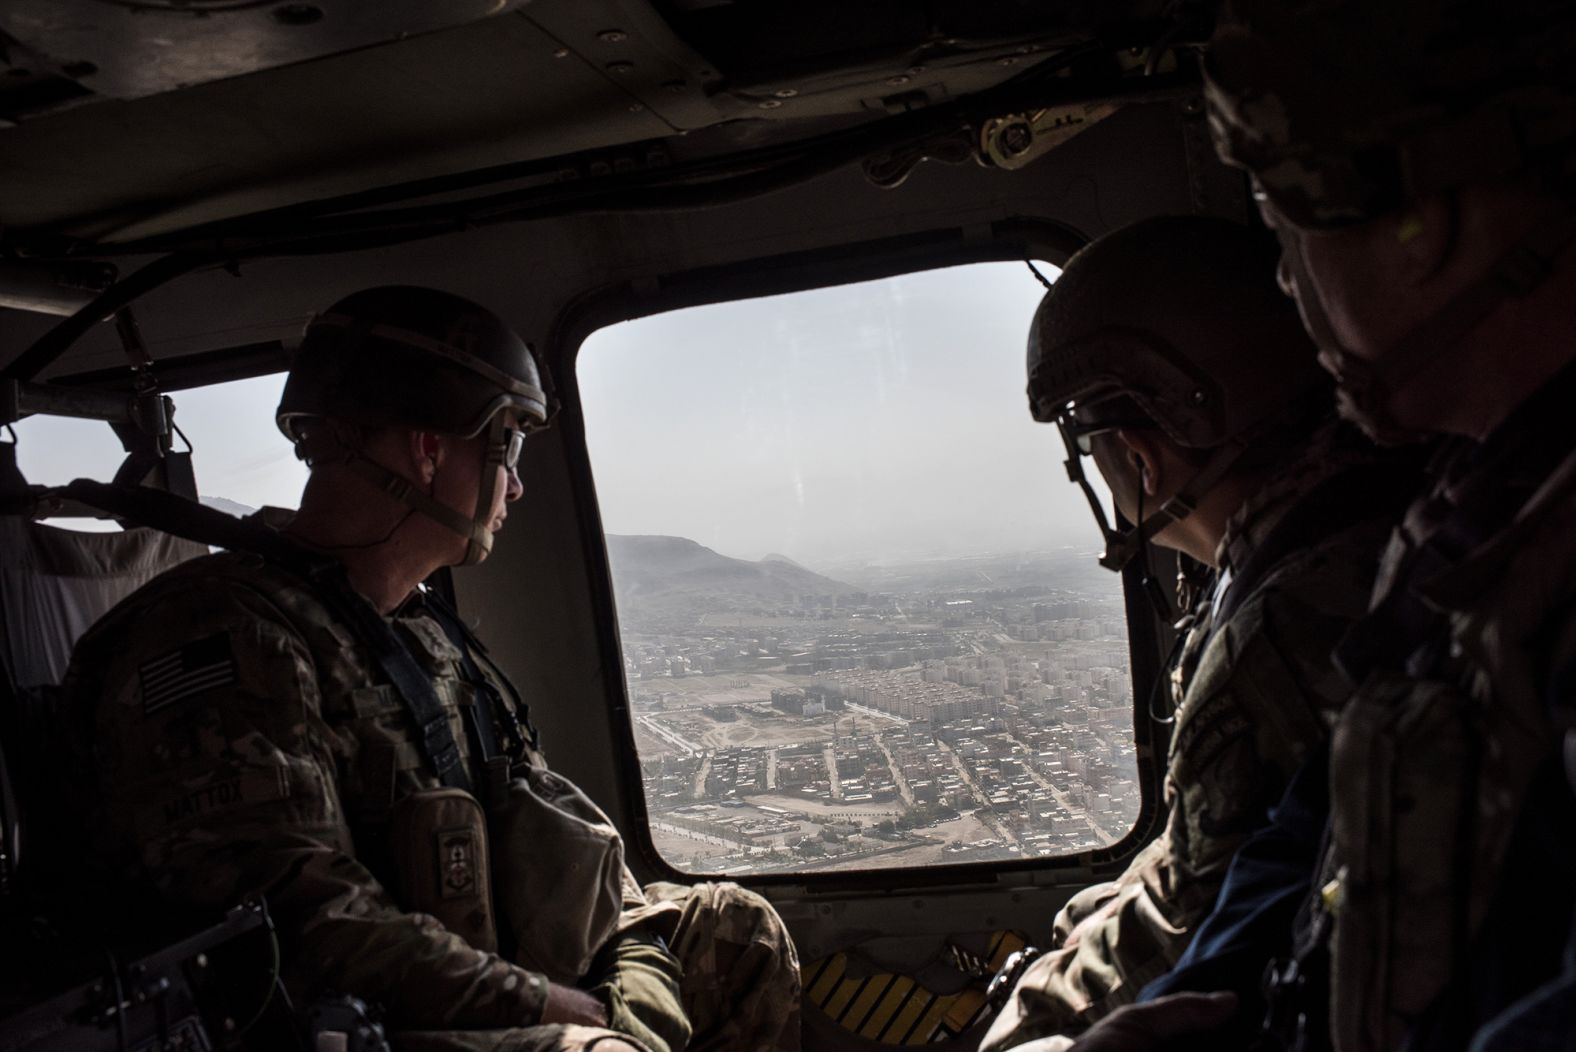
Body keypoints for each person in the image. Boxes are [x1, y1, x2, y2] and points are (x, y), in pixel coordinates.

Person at [55, 286, 802, 1052]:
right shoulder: (224, 635)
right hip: (370, 1022)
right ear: (429, 448)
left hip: (492, 964)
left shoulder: (418, 629)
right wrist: (557, 1005)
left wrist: (619, 953)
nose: (514, 484)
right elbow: (300, 933)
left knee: (735, 932)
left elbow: (535, 829)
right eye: (506, 446)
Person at [1052, 0, 1576, 1047]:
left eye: (1289, 223)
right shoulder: (1465, 519)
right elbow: (1311, 833)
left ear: (1438, 230)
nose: (1287, 282)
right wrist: (1199, 1005)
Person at [980, 217, 1420, 1052]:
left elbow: (1195, 926)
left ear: (1142, 460)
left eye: (1092, 443)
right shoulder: (1370, 531)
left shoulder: (1279, 631)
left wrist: (1035, 1003)